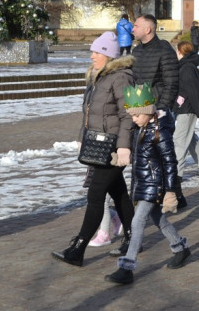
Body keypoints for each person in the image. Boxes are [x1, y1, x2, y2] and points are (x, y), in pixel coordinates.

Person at [51, 32, 137, 267]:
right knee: (118, 193)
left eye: (97, 52)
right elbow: (88, 112)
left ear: (108, 55)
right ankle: (132, 237)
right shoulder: (98, 77)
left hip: (112, 146)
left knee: (96, 194)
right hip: (97, 144)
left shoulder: (120, 77)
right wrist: (82, 137)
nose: (92, 56)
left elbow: (127, 115)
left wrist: (123, 148)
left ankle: (78, 248)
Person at [105, 83, 191, 285]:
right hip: (144, 184)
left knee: (136, 222)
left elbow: (170, 162)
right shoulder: (142, 129)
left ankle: (126, 267)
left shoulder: (161, 133)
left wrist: (170, 191)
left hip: (156, 185)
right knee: (158, 219)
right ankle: (180, 247)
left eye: (136, 115)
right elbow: (141, 156)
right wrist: (120, 159)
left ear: (148, 111)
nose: (133, 120)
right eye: (132, 116)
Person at [173, 42, 199, 178]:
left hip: (188, 109)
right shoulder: (185, 66)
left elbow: (194, 92)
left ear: (180, 52)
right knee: (189, 138)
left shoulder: (187, 68)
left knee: (180, 140)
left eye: (176, 50)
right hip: (184, 107)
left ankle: (176, 174)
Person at [131, 14, 179, 114]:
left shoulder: (165, 50)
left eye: (136, 26)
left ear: (147, 30)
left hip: (157, 110)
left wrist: (161, 110)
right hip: (138, 108)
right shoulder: (136, 51)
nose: (132, 29)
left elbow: (171, 84)